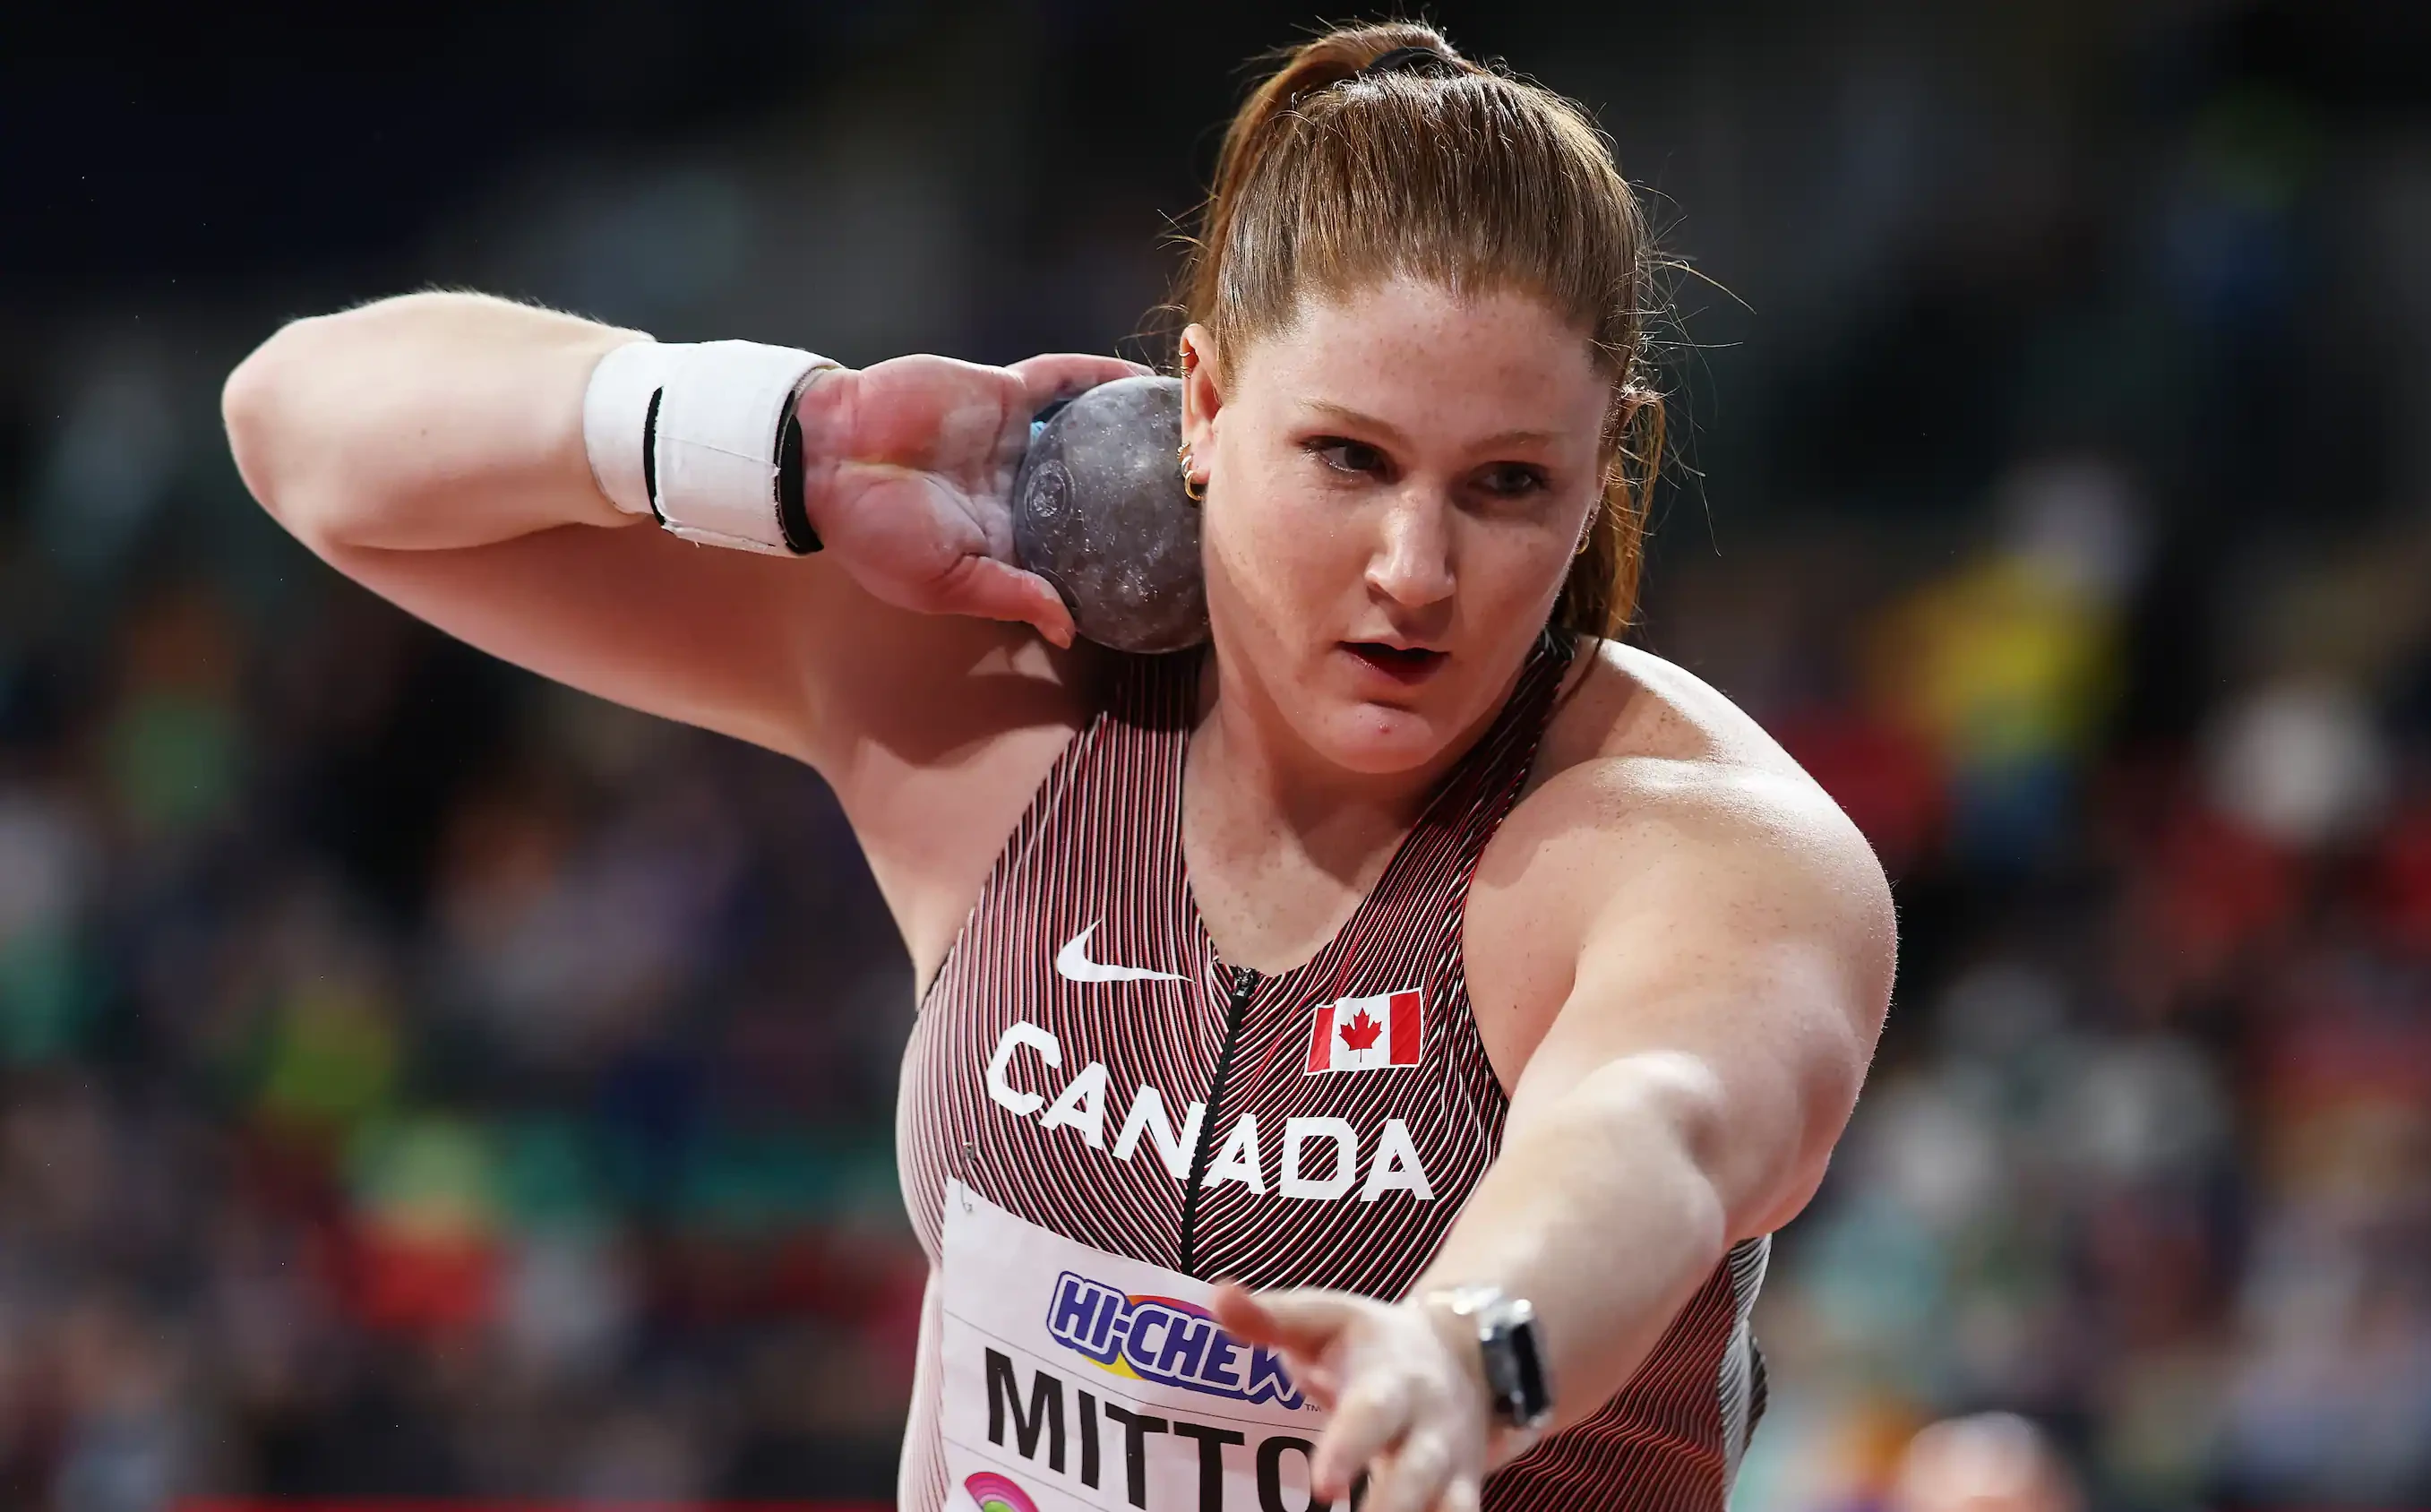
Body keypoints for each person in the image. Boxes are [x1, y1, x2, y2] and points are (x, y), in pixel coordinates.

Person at [220, 21, 1893, 1512]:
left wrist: (1468, 1358)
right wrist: (782, 443)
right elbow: (302, 431)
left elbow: (1656, 1139)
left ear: (1603, 476)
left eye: (1508, 485)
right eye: (1346, 458)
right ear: (1202, 408)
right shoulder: (1005, 714)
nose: (1415, 569)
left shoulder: (1689, 850)